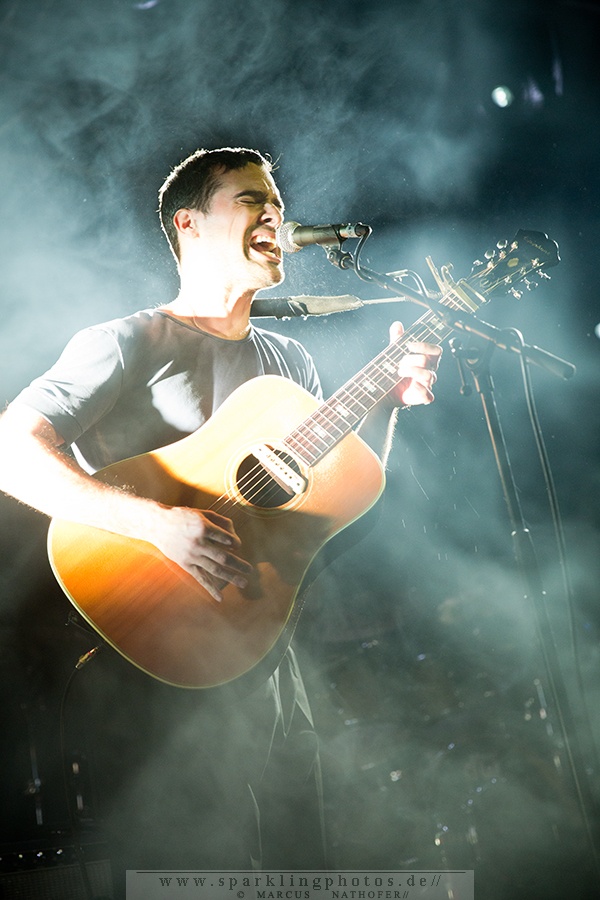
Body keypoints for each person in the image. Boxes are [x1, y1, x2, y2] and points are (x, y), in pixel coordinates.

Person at [0, 147, 441, 894]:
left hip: (266, 656)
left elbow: (326, 501)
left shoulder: (288, 358)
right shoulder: (127, 342)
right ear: (190, 224)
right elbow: (12, 450)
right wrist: (156, 523)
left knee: (307, 874)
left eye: (276, 201)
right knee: (192, 872)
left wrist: (389, 404)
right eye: (250, 199)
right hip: (151, 664)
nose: (275, 213)